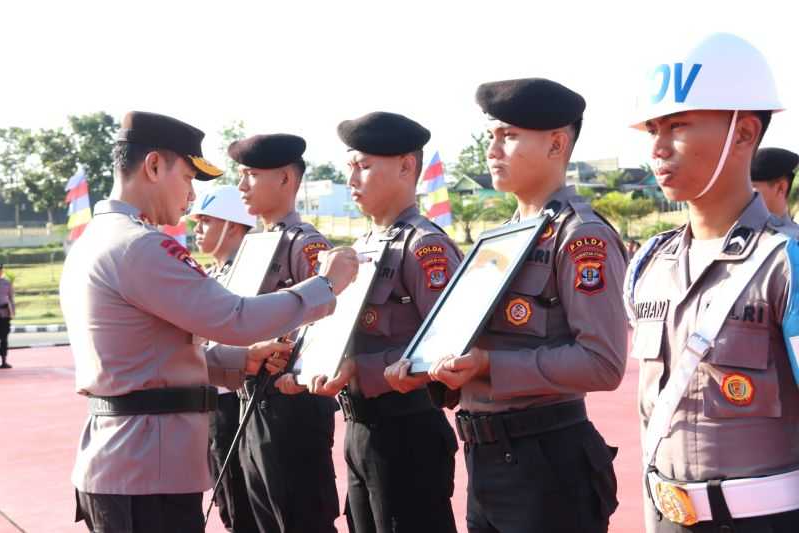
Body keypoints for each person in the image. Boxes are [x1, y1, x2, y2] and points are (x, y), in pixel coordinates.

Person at [59, 111, 358, 533]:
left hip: (128, 461)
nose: (191, 196)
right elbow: (233, 316)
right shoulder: (139, 246)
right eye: (187, 178)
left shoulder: (97, 239)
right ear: (154, 166)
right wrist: (325, 285)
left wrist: (239, 360)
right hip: (146, 472)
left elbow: (151, 353)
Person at [405, 78, 627, 533]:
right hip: (486, 460)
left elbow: (603, 363)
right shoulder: (499, 237)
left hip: (548, 462)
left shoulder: (582, 236)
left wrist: (489, 365)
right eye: (492, 136)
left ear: (557, 143)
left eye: (509, 136)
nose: (493, 149)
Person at [625, 33, 799, 532]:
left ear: (743, 133)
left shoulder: (786, 260)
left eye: (677, 126)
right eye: (653, 128)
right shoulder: (649, 265)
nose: (657, 147)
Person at [280, 111, 462, 533]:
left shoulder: (426, 246)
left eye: (364, 166)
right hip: (362, 428)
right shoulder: (363, 247)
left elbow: (448, 347)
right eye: (350, 168)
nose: (352, 180)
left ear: (406, 166)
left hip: (406, 428)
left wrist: (358, 369)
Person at [230, 133, 340, 533]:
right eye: (240, 175)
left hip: (292, 406)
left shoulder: (306, 244)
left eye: (251, 175)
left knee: (300, 518)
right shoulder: (254, 244)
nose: (241, 186)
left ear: (285, 179)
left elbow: (327, 317)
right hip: (253, 400)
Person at [189, 185, 259, 532]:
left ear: (233, 225)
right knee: (229, 504)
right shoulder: (211, 275)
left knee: (247, 506)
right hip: (214, 401)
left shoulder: (253, 271)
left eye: (205, 221)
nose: (196, 229)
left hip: (242, 402)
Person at [750, 147, 798, 225]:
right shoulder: (732, 231)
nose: (743, 194)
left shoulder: (792, 236)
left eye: (751, 187)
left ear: (781, 188)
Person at [0, 263, 15, 369]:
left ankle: (4, 361)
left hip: (5, 314)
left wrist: (12, 312)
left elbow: (11, 298)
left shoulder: (7, 283)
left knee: (4, 338)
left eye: (0, 269)